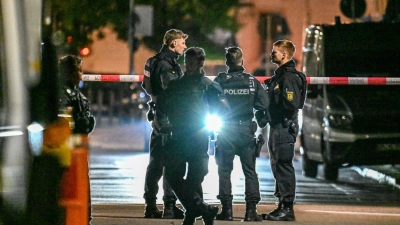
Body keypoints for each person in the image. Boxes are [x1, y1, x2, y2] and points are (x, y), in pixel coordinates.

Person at [157, 47, 229, 225]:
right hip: (179, 136)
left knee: (196, 177)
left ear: (200, 63)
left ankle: (193, 214)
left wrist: (215, 122)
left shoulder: (208, 85)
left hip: (199, 136)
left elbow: (224, 109)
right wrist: (164, 123)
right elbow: (162, 106)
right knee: (173, 175)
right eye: (186, 63)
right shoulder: (177, 85)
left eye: (191, 63)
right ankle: (203, 209)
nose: (187, 66)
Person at [213, 46, 270, 222]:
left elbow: (209, 102)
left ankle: (227, 212)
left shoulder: (220, 81)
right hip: (246, 130)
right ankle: (251, 212)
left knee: (224, 171)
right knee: (250, 171)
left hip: (225, 130)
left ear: (227, 62)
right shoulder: (252, 82)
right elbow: (264, 104)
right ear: (242, 62)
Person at [141, 29, 188, 219]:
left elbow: (147, 86)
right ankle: (169, 206)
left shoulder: (154, 61)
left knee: (156, 162)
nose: (185, 46)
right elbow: (172, 91)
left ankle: (151, 205)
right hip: (169, 117)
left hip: (159, 115)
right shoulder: (165, 64)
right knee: (170, 162)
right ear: (173, 43)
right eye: (182, 43)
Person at [263, 40, 307, 221]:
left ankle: (287, 208)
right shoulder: (281, 76)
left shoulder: (288, 77)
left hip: (283, 126)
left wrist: (275, 107)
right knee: (277, 165)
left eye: (275, 52)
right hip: (277, 126)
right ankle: (281, 205)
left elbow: (291, 104)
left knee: (283, 165)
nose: (272, 54)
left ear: (284, 55)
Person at [59, 55, 96, 224]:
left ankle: (84, 215)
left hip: (78, 151)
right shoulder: (63, 95)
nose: (81, 75)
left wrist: (87, 122)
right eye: (78, 71)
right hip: (68, 151)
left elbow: (84, 122)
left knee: (81, 182)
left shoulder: (76, 94)